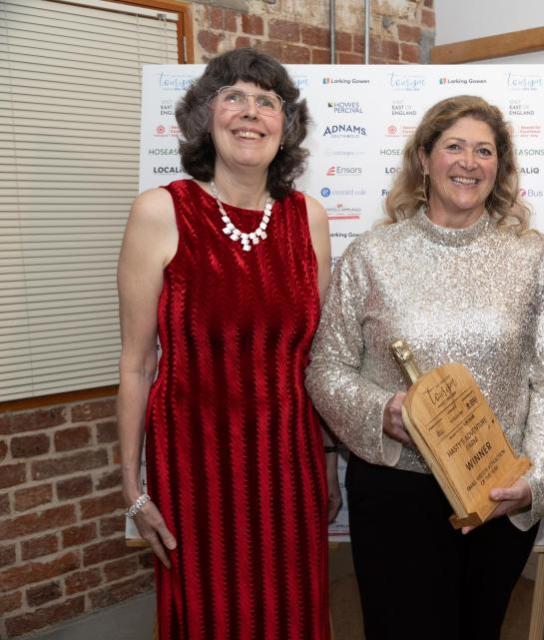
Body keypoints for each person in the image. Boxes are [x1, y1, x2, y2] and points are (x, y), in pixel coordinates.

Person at [305, 95, 544, 640]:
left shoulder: (531, 256)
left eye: (484, 150)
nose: (468, 162)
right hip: (396, 496)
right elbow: (324, 367)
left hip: (495, 497)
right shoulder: (372, 255)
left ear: (500, 168)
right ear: (423, 158)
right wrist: (383, 410)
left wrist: (536, 481)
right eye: (454, 147)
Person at [117, 48, 337, 639]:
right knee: (212, 616)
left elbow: (316, 361)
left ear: (285, 126)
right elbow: (137, 366)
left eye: (267, 101)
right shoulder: (161, 212)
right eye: (233, 96)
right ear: (204, 117)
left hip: (290, 466)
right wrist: (133, 490)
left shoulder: (308, 219)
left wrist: (329, 465)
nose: (250, 112)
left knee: (292, 615)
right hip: (195, 471)